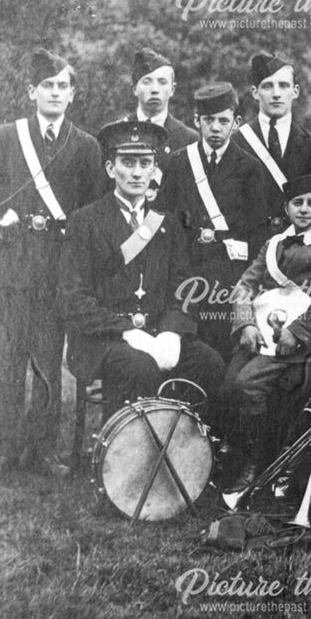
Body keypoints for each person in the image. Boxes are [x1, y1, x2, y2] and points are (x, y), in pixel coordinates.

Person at [59, 120, 225, 422]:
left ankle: (182, 450)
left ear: (153, 170)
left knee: (208, 362)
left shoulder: (168, 224)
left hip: (157, 333)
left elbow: (185, 287)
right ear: (111, 169)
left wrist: (173, 332)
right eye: (127, 162)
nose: (136, 172)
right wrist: (126, 331)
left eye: (145, 163)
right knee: (139, 366)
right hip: (102, 341)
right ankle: (124, 460)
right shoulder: (84, 221)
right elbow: (74, 299)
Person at [0, 48, 105, 473]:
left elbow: (94, 212)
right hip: (11, 263)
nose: (55, 93)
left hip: (57, 268)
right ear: (31, 92)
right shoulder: (6, 136)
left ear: (72, 94)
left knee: (46, 360)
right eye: (47, 86)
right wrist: (4, 217)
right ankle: (4, 449)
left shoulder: (86, 146)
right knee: (7, 359)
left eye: (62, 86)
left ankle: (43, 449)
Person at [224, 173, 311, 494]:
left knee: (247, 383)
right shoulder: (272, 244)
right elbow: (244, 286)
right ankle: (238, 459)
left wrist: (298, 332)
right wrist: (245, 323)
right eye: (298, 203)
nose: (304, 210)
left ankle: (256, 465)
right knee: (228, 385)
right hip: (265, 330)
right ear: (286, 207)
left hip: (309, 337)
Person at [155, 82, 270, 361]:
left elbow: (257, 233)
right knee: (190, 353)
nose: (216, 128)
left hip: (230, 278)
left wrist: (249, 287)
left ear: (236, 122)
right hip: (187, 274)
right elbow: (163, 224)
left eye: (223, 121)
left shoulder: (250, 168)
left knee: (224, 353)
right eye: (209, 121)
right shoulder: (178, 164)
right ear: (197, 121)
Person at [234, 52, 311, 236]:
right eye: (268, 86)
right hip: (251, 252)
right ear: (255, 92)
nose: (276, 94)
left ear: (295, 91)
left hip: (298, 252)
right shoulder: (237, 142)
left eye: (283, 86)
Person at [122, 48, 199, 198]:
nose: (155, 90)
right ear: (134, 88)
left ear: (172, 89)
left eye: (162, 82)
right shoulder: (118, 133)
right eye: (147, 82)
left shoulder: (189, 140)